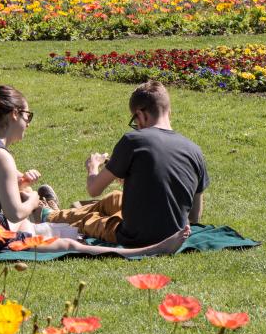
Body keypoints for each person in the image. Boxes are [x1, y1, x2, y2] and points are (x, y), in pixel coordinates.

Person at [0, 85, 189, 256]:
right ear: (15, 114)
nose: (28, 123)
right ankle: (151, 250)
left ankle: (50, 214)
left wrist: (20, 187)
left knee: (32, 227)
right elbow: (15, 213)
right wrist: (34, 198)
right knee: (71, 244)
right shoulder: (0, 156)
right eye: (27, 116)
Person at [44, 81, 208, 246]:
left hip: (135, 236)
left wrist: (93, 166)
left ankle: (46, 215)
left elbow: (94, 189)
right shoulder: (195, 151)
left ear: (140, 115)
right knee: (114, 198)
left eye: (135, 121)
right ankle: (55, 214)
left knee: (91, 221)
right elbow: (194, 216)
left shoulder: (134, 141)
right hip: (177, 233)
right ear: (169, 111)